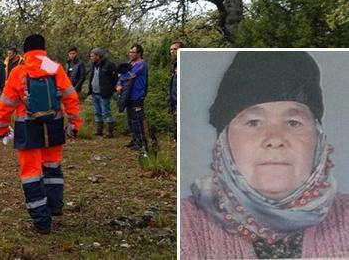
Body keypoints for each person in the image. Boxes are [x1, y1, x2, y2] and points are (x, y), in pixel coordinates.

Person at [180, 51, 349, 259]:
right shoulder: (186, 224)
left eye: (293, 122)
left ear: (319, 139)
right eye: (253, 123)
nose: (275, 139)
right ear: (223, 143)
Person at [0, 34, 82, 234]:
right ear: (44, 48)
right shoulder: (55, 67)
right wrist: (74, 123)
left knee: (31, 174)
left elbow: (5, 104)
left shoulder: (19, 72)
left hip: (29, 129)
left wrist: (1, 129)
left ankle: (42, 222)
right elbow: (71, 96)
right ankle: (55, 206)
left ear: (25, 51)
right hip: (54, 126)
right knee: (52, 168)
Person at [118, 44, 147, 150]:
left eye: (133, 52)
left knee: (137, 120)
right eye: (130, 52)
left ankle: (140, 142)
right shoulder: (130, 63)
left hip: (137, 95)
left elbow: (129, 75)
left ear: (139, 53)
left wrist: (121, 78)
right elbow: (122, 76)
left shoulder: (141, 64)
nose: (131, 54)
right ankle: (134, 139)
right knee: (130, 119)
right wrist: (120, 82)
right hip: (128, 95)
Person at [87, 47, 117, 138]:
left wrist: (111, 90)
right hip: (95, 92)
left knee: (106, 112)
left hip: (104, 93)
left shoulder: (109, 65)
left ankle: (109, 131)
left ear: (98, 56)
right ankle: (99, 130)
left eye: (92, 56)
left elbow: (115, 79)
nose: (91, 58)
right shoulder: (94, 65)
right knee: (97, 112)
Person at [169, 41, 181, 141]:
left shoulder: (185, 63)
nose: (172, 52)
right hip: (175, 101)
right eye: (171, 49)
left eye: (175, 49)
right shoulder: (174, 65)